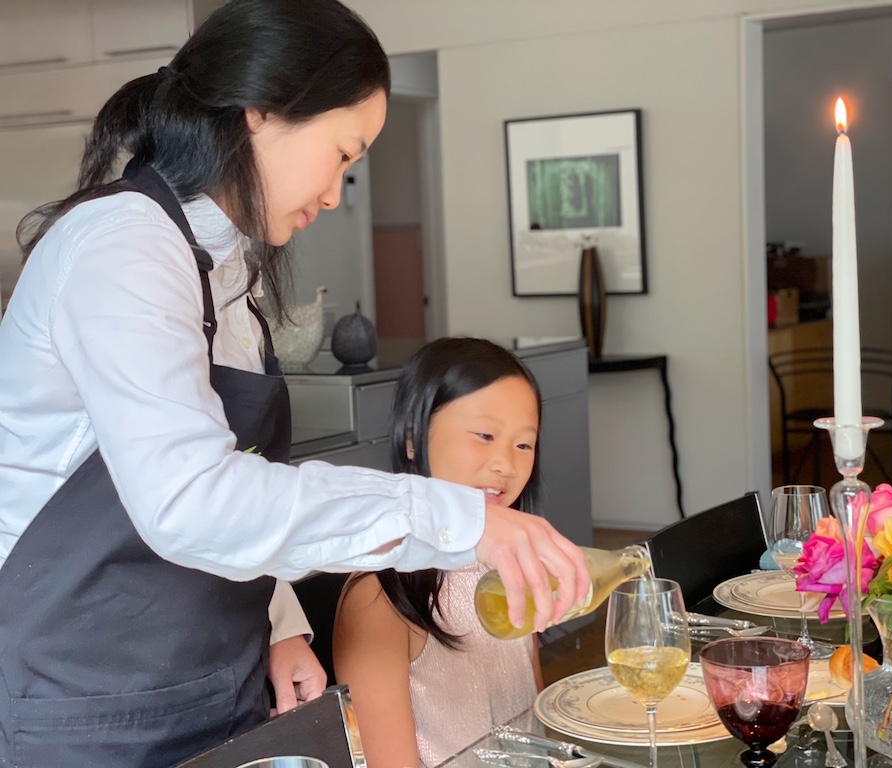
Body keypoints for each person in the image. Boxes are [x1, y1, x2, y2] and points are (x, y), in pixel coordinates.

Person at [0, 1, 588, 765]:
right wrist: (462, 520)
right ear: (261, 112)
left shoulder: (229, 268)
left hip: (222, 681)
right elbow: (190, 502)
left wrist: (278, 624)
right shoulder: (122, 249)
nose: (339, 190)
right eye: (342, 153)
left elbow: (245, 482)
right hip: (91, 702)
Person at [334, 338, 550, 768]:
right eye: (485, 436)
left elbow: (539, 728)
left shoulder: (510, 563)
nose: (506, 463)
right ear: (413, 440)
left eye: (523, 444)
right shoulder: (380, 595)